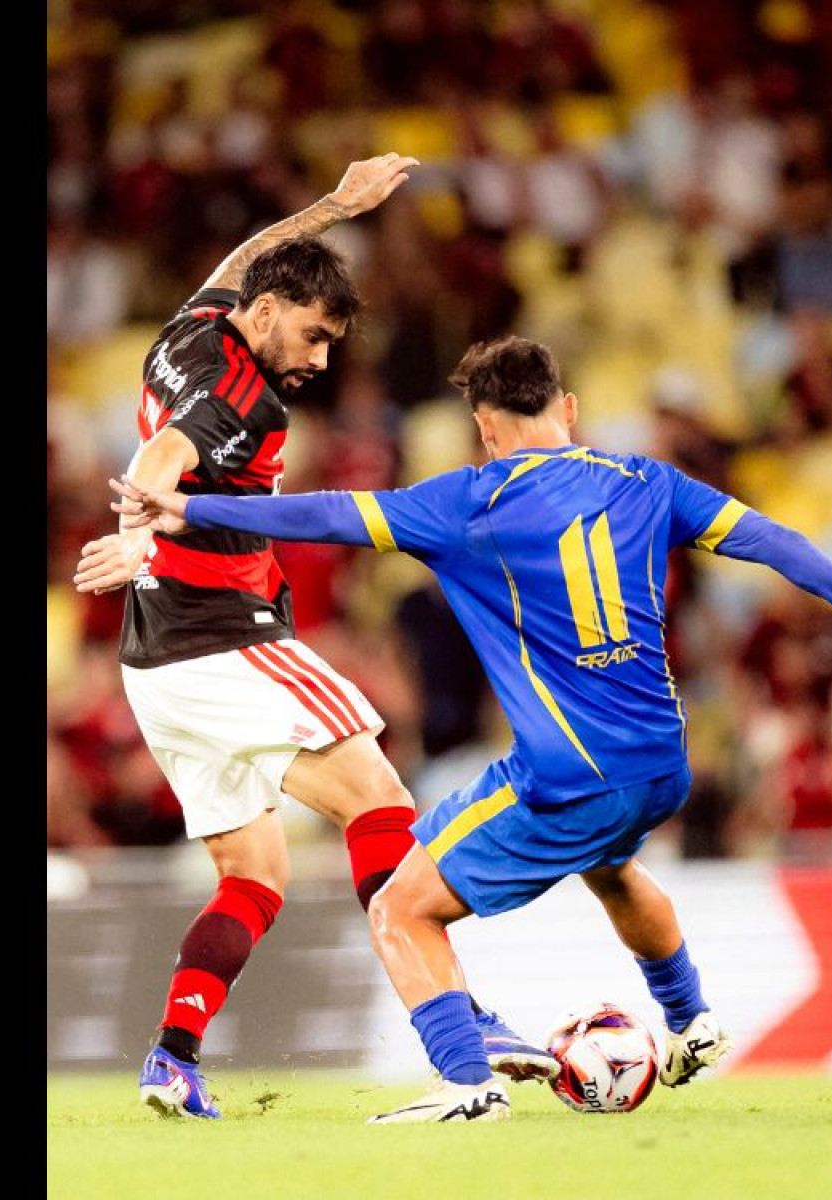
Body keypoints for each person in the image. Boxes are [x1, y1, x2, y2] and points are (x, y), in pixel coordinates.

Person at [107, 336, 832, 1124]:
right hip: (661, 766)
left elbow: (328, 513)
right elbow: (771, 541)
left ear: (486, 430)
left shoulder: (465, 503)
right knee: (610, 865)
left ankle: (465, 1083)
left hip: (568, 775)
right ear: (567, 411)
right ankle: (690, 1018)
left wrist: (195, 510)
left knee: (403, 906)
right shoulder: (650, 482)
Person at [70, 156, 556, 1121]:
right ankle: (459, 1024)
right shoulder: (246, 395)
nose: (321, 360)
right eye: (315, 334)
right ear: (267, 312)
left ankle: (171, 1058)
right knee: (380, 798)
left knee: (256, 877)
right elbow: (166, 455)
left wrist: (336, 207)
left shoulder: (192, 327)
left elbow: (248, 255)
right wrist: (136, 535)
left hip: (156, 667)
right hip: (224, 638)